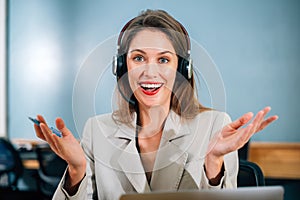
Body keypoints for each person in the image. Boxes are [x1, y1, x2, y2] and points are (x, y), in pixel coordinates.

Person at [34, 9, 278, 200]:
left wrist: (213, 162)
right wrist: (77, 170)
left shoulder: (214, 125)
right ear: (121, 67)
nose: (150, 72)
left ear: (182, 69)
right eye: (138, 58)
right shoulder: (97, 130)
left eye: (163, 59)